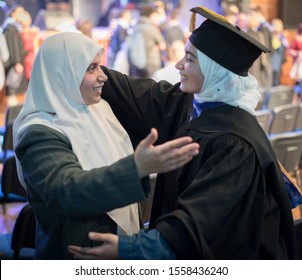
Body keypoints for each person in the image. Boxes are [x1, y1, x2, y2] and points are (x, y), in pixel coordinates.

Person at [68, 6, 297, 260]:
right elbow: (133, 94)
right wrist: (80, 61)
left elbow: (201, 220)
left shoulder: (234, 144)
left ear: (214, 70)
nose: (178, 64)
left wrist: (130, 249)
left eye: (189, 59)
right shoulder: (190, 104)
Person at [12, 31, 200, 260]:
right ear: (63, 74)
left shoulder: (98, 110)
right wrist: (136, 167)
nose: (104, 76)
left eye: (100, 66)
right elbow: (66, 189)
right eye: (91, 68)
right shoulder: (38, 132)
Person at [2, 4, 27, 106]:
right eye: (20, 13)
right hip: (14, 65)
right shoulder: (11, 28)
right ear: (13, 13)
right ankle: (12, 116)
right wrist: (17, 62)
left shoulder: (13, 27)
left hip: (16, 64)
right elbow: (13, 46)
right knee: (13, 92)